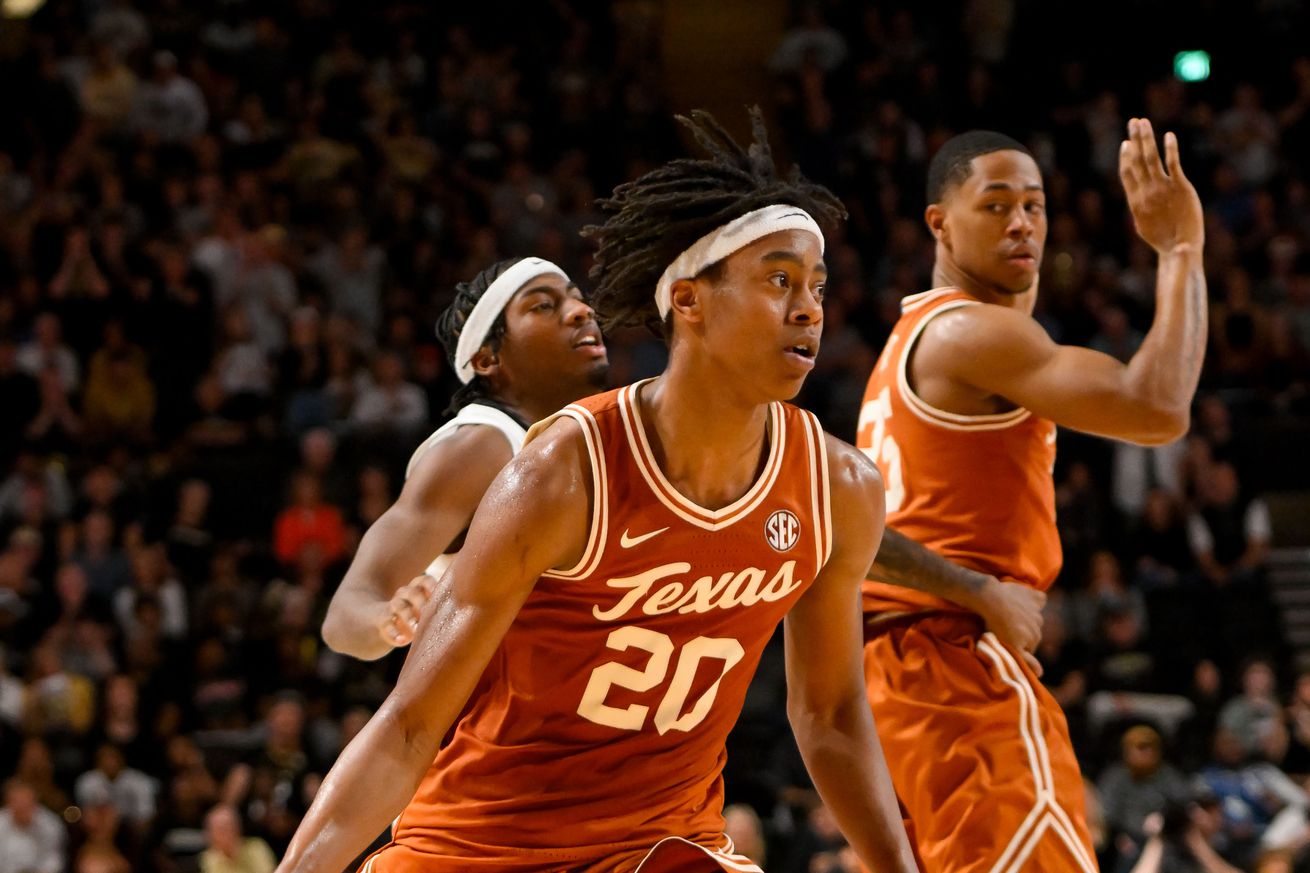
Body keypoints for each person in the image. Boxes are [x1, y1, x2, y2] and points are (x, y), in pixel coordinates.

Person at [276, 108, 918, 873]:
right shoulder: (550, 470)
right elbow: (409, 723)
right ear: (687, 301)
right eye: (779, 280)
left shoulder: (837, 486)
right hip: (482, 844)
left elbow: (835, 716)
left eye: (816, 283)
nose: (810, 305)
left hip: (659, 846)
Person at [859, 118, 1206, 872]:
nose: (1022, 222)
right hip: (954, 659)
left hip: (903, 672)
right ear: (938, 224)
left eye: (1036, 205)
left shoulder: (914, 336)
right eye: (996, 204)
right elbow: (1157, 407)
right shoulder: (971, 338)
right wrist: (1179, 249)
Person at [320, 256, 610, 660]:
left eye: (577, 299)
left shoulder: (593, 435)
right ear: (488, 359)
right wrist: (389, 618)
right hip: (497, 716)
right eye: (543, 305)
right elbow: (344, 620)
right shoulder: (481, 445)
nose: (581, 311)